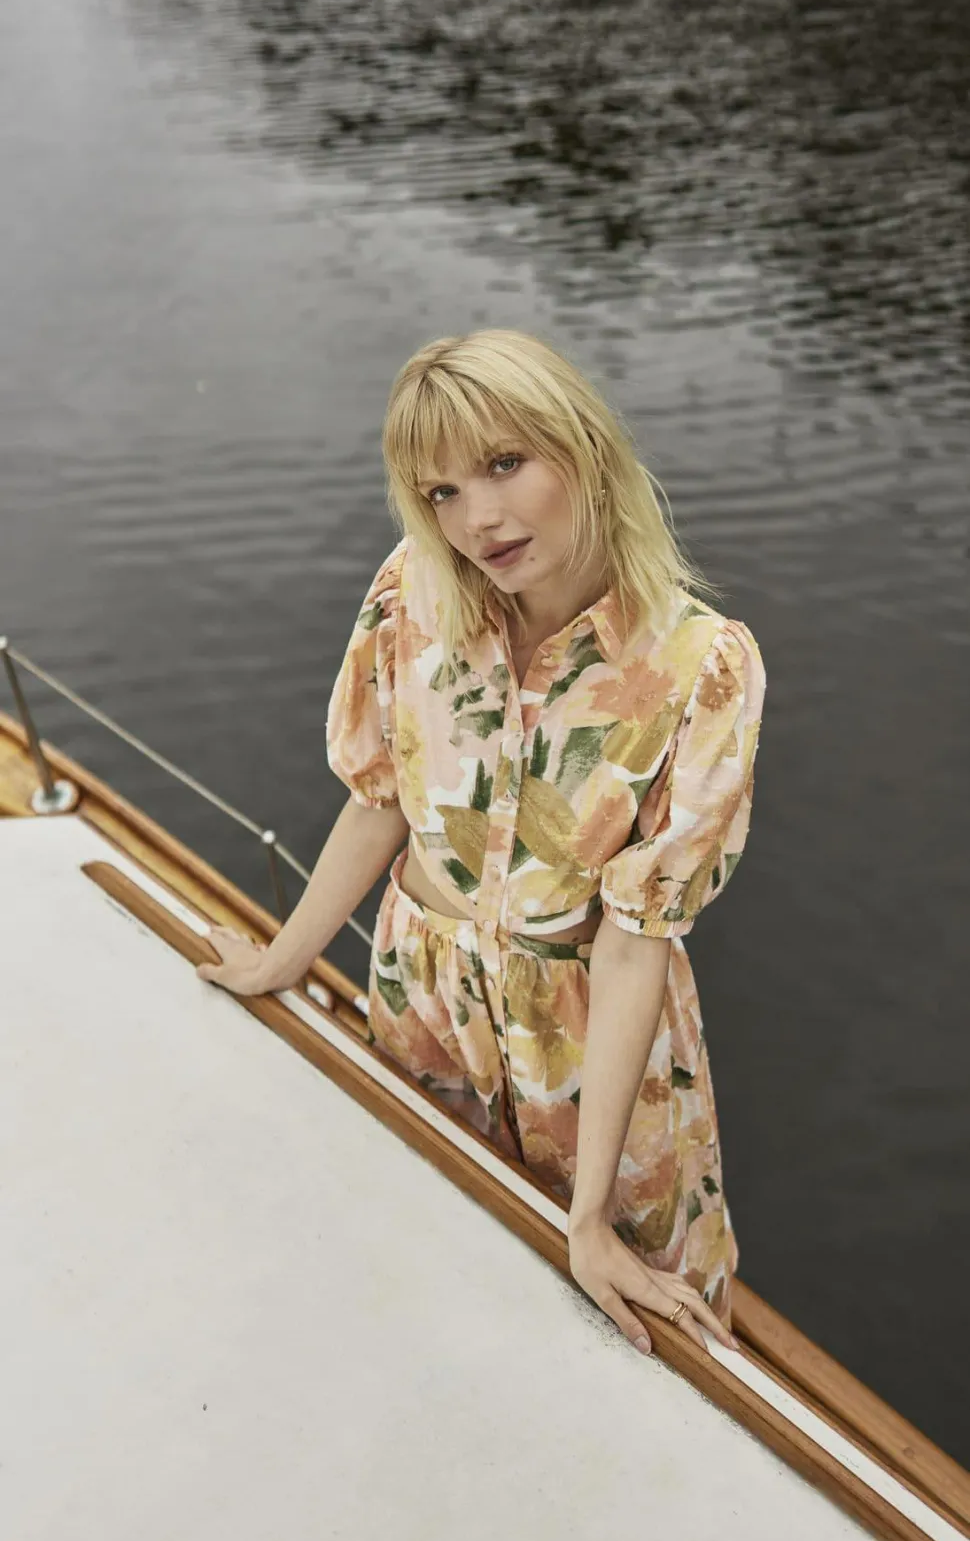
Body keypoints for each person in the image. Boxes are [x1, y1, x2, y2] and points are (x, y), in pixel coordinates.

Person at [198, 329, 765, 1361]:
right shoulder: (411, 597)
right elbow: (382, 801)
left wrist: (588, 1218)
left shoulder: (699, 665)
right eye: (443, 492)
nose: (479, 520)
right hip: (423, 1000)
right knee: (425, 1264)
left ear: (583, 445)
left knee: (645, 1316)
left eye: (504, 464)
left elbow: (635, 940)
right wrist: (284, 962)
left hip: (590, 1042)